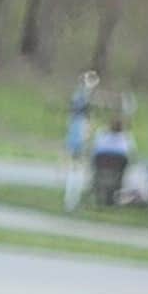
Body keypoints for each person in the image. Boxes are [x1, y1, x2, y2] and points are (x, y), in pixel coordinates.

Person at [61, 68, 98, 207]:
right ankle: (71, 198)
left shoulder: (80, 97)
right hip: (78, 132)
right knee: (76, 165)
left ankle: (72, 196)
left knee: (76, 165)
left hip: (78, 131)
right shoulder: (81, 97)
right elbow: (81, 115)